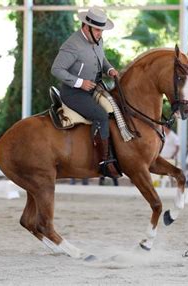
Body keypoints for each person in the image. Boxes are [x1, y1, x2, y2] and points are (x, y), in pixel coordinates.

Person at [51, 7, 119, 178]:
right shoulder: (71, 45)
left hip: (94, 89)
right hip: (74, 93)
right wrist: (80, 83)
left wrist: (109, 69)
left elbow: (101, 59)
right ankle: (103, 162)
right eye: (97, 30)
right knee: (101, 116)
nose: (100, 34)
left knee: (118, 108)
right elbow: (57, 69)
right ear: (85, 26)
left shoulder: (98, 40)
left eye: (101, 30)